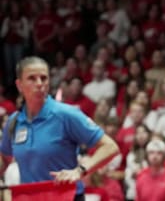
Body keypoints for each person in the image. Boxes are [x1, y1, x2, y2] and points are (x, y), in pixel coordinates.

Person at [0, 57, 120, 200]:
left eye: (44, 78)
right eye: (32, 78)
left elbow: (110, 147)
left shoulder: (66, 114)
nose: (39, 84)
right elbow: (4, 158)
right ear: (19, 85)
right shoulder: (14, 121)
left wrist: (80, 170)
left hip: (67, 197)